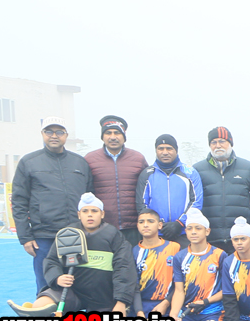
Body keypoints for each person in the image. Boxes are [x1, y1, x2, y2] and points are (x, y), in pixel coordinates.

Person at [8, 193, 135, 321]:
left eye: (94, 211)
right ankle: (35, 315)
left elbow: (124, 268)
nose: (90, 215)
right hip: (72, 292)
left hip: (103, 296)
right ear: (79, 214)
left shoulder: (114, 236)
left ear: (102, 214)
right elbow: (51, 261)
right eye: (85, 211)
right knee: (41, 305)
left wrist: (121, 302)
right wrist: (57, 278)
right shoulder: (67, 233)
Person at [12, 117, 94, 292]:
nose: (54, 136)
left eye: (59, 132)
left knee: (79, 286)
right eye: (49, 131)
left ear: (66, 135)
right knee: (46, 286)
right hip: (44, 237)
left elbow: (90, 198)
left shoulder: (80, 163)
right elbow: (19, 201)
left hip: (77, 235)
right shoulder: (29, 162)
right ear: (42, 134)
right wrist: (25, 237)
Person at [116, 207, 180, 321]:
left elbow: (180, 283)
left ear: (159, 225)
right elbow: (133, 286)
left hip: (163, 306)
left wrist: (166, 303)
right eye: (141, 222)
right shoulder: (133, 252)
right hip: (140, 306)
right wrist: (139, 312)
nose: (145, 225)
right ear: (137, 226)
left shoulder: (174, 247)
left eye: (150, 221)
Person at [168, 208, 225, 321]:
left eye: (198, 228)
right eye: (189, 228)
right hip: (188, 314)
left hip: (212, 311)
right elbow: (179, 291)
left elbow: (227, 289)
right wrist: (174, 314)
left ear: (207, 231)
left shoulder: (219, 255)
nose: (193, 232)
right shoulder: (179, 257)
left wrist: (206, 302)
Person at [84, 115, 148, 246]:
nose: (113, 137)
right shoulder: (90, 159)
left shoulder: (138, 158)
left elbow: (147, 190)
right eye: (108, 133)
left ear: (124, 136)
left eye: (117, 133)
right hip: (102, 227)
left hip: (134, 227)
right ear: (102, 136)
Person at [196, 126, 250, 255]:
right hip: (209, 239)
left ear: (230, 143)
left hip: (239, 239)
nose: (218, 145)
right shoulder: (198, 170)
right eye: (213, 142)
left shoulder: (249, 168)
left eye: (222, 141)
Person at [136, 134, 203, 250]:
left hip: (184, 232)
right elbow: (142, 204)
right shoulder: (147, 174)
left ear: (176, 150)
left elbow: (196, 201)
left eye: (169, 148)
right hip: (157, 234)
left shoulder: (190, 172)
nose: (165, 152)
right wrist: (157, 224)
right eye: (161, 149)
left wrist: (179, 223)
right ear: (156, 151)